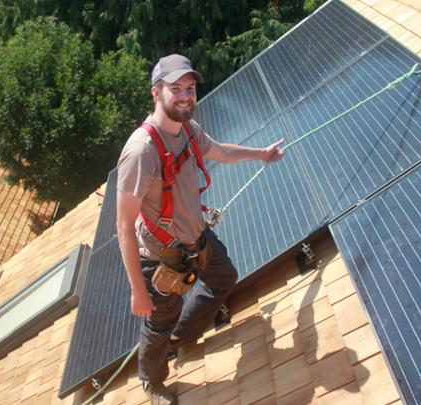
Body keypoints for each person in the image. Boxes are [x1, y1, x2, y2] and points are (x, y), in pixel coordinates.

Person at [116, 54, 284, 405]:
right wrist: (137, 290)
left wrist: (262, 154)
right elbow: (123, 225)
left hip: (196, 239)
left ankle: (181, 338)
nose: (185, 96)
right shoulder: (141, 152)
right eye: (175, 88)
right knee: (158, 323)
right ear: (156, 92)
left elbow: (220, 151)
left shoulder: (189, 130)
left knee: (224, 278)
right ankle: (152, 381)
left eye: (189, 88)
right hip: (161, 258)